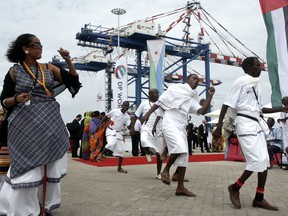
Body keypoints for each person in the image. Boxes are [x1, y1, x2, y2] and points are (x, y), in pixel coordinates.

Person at [0, 33, 81, 215]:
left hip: (50, 120)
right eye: (36, 45)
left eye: (41, 44)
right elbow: (3, 100)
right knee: (26, 166)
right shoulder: (14, 71)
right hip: (24, 123)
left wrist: (68, 60)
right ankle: (22, 209)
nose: (40, 47)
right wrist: (16, 98)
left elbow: (73, 82)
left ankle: (46, 206)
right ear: (25, 48)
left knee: (52, 164)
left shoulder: (49, 68)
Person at [213, 57, 288, 211]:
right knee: (257, 160)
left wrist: (282, 109)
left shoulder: (257, 86)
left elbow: (260, 110)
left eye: (260, 66)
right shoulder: (241, 81)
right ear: (247, 67)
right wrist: (219, 126)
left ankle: (259, 198)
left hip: (257, 125)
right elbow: (227, 103)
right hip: (245, 125)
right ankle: (235, 187)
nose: (260, 69)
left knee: (265, 162)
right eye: (256, 66)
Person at [142, 74, 215, 197]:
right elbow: (160, 101)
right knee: (180, 147)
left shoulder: (192, 98)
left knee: (184, 157)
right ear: (187, 80)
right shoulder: (175, 89)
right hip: (169, 122)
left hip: (181, 126)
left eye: (198, 80)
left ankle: (180, 188)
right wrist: (148, 114)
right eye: (194, 78)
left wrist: (210, 97)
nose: (197, 81)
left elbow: (201, 111)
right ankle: (166, 170)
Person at [130, 88, 165, 179]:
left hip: (158, 129)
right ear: (149, 94)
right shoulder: (144, 104)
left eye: (158, 93)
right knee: (143, 140)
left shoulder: (161, 104)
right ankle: (147, 153)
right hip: (146, 127)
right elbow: (135, 116)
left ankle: (158, 173)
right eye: (155, 93)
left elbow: (162, 115)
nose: (157, 94)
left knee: (159, 153)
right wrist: (133, 127)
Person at [96, 101, 131, 173]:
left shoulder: (127, 117)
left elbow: (129, 127)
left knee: (121, 151)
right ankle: (101, 154)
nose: (126, 107)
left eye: (127, 106)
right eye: (125, 105)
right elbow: (106, 116)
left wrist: (133, 121)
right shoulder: (115, 111)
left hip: (118, 133)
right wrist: (99, 125)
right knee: (111, 143)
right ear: (122, 105)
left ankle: (119, 168)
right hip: (110, 130)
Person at [277, 96, 288, 170]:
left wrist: (284, 119)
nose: (283, 100)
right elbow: (281, 120)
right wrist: (280, 120)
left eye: (285, 99)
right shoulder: (282, 110)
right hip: (285, 132)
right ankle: (287, 164)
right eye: (283, 99)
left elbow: (284, 119)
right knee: (286, 149)